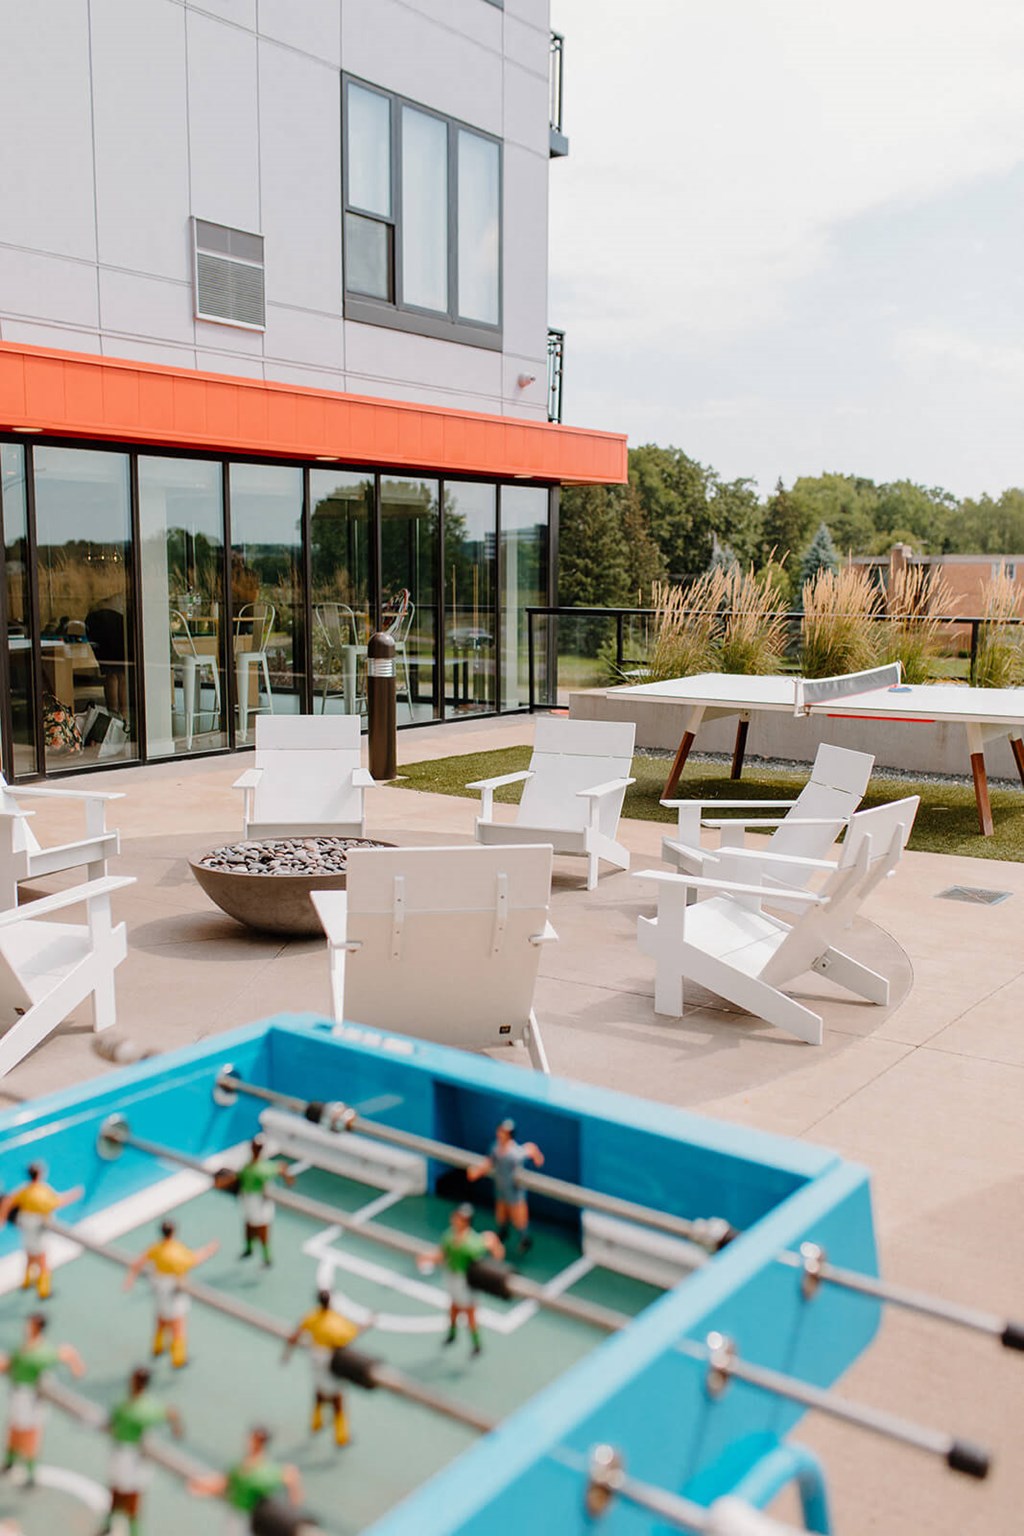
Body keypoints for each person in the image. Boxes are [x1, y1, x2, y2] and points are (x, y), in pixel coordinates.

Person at [0, 1313, 84, 1487]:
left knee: (29, 1434)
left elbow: (67, 1353)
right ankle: (10, 1460)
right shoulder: (26, 1347)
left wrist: (77, 1367)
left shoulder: (42, 1352)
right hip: (18, 1395)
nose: (26, 1328)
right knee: (15, 1428)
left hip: (31, 1399)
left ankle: (30, 1471)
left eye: (29, 1325)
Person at [124, 1219, 219, 1370]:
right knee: (178, 1327)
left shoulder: (156, 1248)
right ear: (174, 1232)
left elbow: (139, 1262)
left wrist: (129, 1280)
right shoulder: (176, 1252)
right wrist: (209, 1250)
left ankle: (157, 1347)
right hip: (174, 1291)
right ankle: (178, 1359)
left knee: (161, 1319)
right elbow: (194, 1259)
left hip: (159, 1289)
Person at [99, 1366, 183, 1536]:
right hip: (120, 1454)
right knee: (116, 1492)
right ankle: (108, 1524)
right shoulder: (126, 1404)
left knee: (132, 1501)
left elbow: (171, 1415)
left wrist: (176, 1428)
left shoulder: (147, 1408)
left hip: (135, 1459)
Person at [417, 1204, 503, 1358]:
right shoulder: (449, 1236)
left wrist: (496, 1253)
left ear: (466, 1222)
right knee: (453, 1307)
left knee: (469, 1314)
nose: (455, 1220)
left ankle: (476, 1345)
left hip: (466, 1282)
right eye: (455, 1217)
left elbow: (492, 1243)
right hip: (452, 1277)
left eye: (459, 1218)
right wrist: (427, 1257)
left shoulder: (473, 1243)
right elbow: (443, 1254)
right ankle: (452, 1334)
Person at [189, 1425, 302, 1536]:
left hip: (253, 1519)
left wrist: (292, 1511)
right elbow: (223, 1483)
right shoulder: (246, 1467)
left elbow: (222, 1483)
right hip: (244, 1518)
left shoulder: (264, 1470)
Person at [283, 1290, 360, 1447]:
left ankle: (316, 1422)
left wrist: (286, 1354)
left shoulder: (312, 1316)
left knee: (318, 1390)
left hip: (314, 1358)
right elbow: (351, 1335)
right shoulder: (336, 1321)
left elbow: (295, 1335)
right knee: (338, 1400)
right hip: (330, 1361)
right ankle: (341, 1436)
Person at [0, 1162, 84, 1299]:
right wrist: (74, 1194)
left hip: (25, 1225)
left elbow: (8, 1201)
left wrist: (2, 1218)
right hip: (38, 1228)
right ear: (39, 1174)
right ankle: (44, 1291)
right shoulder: (42, 1191)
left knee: (29, 1254)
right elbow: (58, 1202)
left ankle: (26, 1282)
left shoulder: (24, 1189)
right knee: (42, 1259)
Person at [467, 1119, 544, 1258]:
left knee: (518, 1218)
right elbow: (490, 1162)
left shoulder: (515, 1153)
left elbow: (530, 1148)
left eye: (504, 1133)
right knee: (501, 1214)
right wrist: (477, 1171)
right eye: (500, 1131)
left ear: (509, 1136)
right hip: (501, 1187)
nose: (500, 1134)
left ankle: (525, 1239)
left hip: (514, 1190)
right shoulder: (495, 1148)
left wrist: (538, 1157)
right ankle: (503, 1231)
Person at [216, 1137, 294, 1268]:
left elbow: (282, 1169)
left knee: (262, 1230)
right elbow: (282, 1168)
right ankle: (249, 1249)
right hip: (248, 1200)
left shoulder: (262, 1168)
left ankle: (267, 1257)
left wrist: (288, 1178)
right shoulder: (251, 1166)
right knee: (248, 1226)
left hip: (260, 1203)